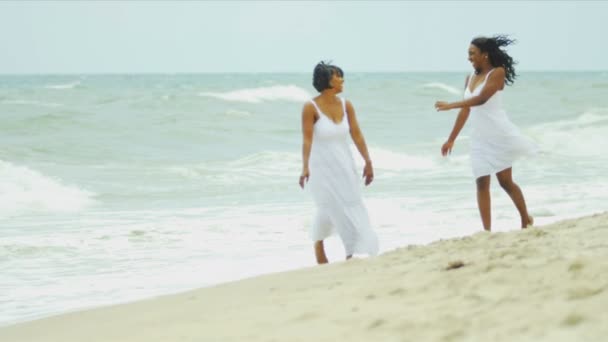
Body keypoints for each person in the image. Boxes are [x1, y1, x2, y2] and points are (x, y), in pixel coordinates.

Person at [435, 35, 537, 231]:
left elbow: (481, 99)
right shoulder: (470, 78)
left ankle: (525, 219)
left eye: (472, 53)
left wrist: (451, 104)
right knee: (481, 182)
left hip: (499, 136)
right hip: (479, 139)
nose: (469, 57)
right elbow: (466, 110)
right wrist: (451, 139)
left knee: (505, 182)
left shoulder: (497, 73)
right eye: (468, 54)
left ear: (485, 54)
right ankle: (487, 231)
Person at [299, 61, 379, 264]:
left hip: (344, 165)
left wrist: (368, 161)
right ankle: (349, 252)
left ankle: (321, 243)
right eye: (338, 76)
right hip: (321, 169)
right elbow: (307, 139)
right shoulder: (310, 107)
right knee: (334, 207)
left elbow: (357, 135)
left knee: (348, 204)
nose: (342, 79)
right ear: (327, 80)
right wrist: (305, 167)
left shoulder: (346, 105)